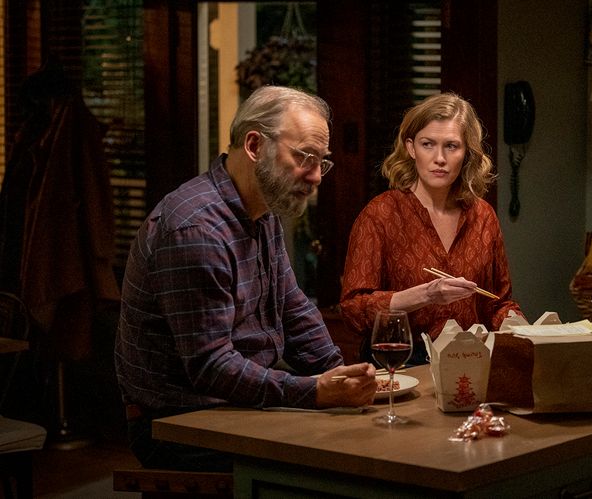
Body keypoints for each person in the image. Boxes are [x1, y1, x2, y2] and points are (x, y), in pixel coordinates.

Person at [115, 86, 377, 472]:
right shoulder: (195, 228)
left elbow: (293, 309)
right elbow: (211, 366)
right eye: (305, 157)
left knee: (366, 441)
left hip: (237, 405)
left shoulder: (261, 210)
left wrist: (342, 375)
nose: (316, 176)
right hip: (178, 422)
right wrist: (315, 391)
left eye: (322, 161)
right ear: (255, 145)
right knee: (336, 466)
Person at [340, 92, 524, 364]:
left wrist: (520, 325)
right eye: (428, 144)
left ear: (466, 152)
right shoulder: (380, 214)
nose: (440, 158)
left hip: (467, 359)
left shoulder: (483, 215)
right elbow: (353, 310)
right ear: (411, 148)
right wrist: (426, 295)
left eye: (451, 146)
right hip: (400, 359)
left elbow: (498, 302)